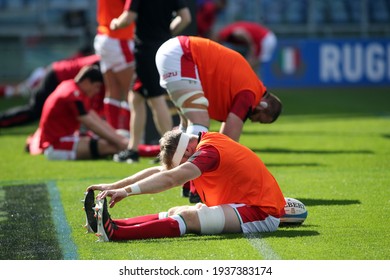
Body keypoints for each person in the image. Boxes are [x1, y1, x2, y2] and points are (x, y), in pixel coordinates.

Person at [84, 130, 286, 241]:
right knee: (175, 210)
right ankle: (114, 224)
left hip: (260, 211)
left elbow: (172, 179)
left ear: (188, 151)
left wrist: (126, 192)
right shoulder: (203, 144)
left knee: (188, 217)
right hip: (242, 204)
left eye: (179, 164)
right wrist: (115, 186)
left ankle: (117, 233)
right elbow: (161, 173)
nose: (178, 168)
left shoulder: (208, 152)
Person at [156, 35, 282, 143]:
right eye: (259, 118)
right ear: (262, 106)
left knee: (186, 124)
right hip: (184, 54)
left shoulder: (250, 86)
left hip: (176, 51)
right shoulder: (250, 94)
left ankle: (175, 162)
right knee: (199, 120)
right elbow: (229, 136)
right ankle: (193, 166)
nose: (253, 121)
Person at [109, 0, 192, 163]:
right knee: (136, 98)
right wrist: (167, 33)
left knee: (156, 99)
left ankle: (171, 150)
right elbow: (186, 17)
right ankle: (133, 149)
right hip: (163, 47)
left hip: (146, 51)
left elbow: (128, 17)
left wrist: (114, 24)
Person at [26, 65, 128, 160]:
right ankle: (134, 150)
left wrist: (117, 137)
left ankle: (131, 148)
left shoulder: (73, 88)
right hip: (55, 146)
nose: (97, 91)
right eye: (97, 86)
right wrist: (120, 142)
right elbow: (91, 124)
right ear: (87, 82)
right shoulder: (72, 94)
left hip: (64, 138)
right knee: (108, 146)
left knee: (114, 141)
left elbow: (95, 119)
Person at [0, 54, 101, 128]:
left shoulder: (105, 60)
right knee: (34, 111)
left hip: (59, 76)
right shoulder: (104, 63)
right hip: (55, 77)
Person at [94, 0, 136, 131]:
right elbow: (131, 12)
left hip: (104, 35)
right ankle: (131, 135)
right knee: (132, 90)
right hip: (118, 37)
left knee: (113, 90)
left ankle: (115, 135)